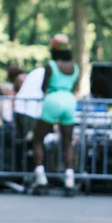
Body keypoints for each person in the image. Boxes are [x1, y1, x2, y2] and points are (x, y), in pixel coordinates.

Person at [28, 34, 81, 197]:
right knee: (67, 142)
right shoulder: (75, 67)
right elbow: (74, 87)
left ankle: (40, 178)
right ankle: (69, 180)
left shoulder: (50, 65)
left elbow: (44, 86)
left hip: (53, 99)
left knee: (37, 138)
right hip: (70, 101)